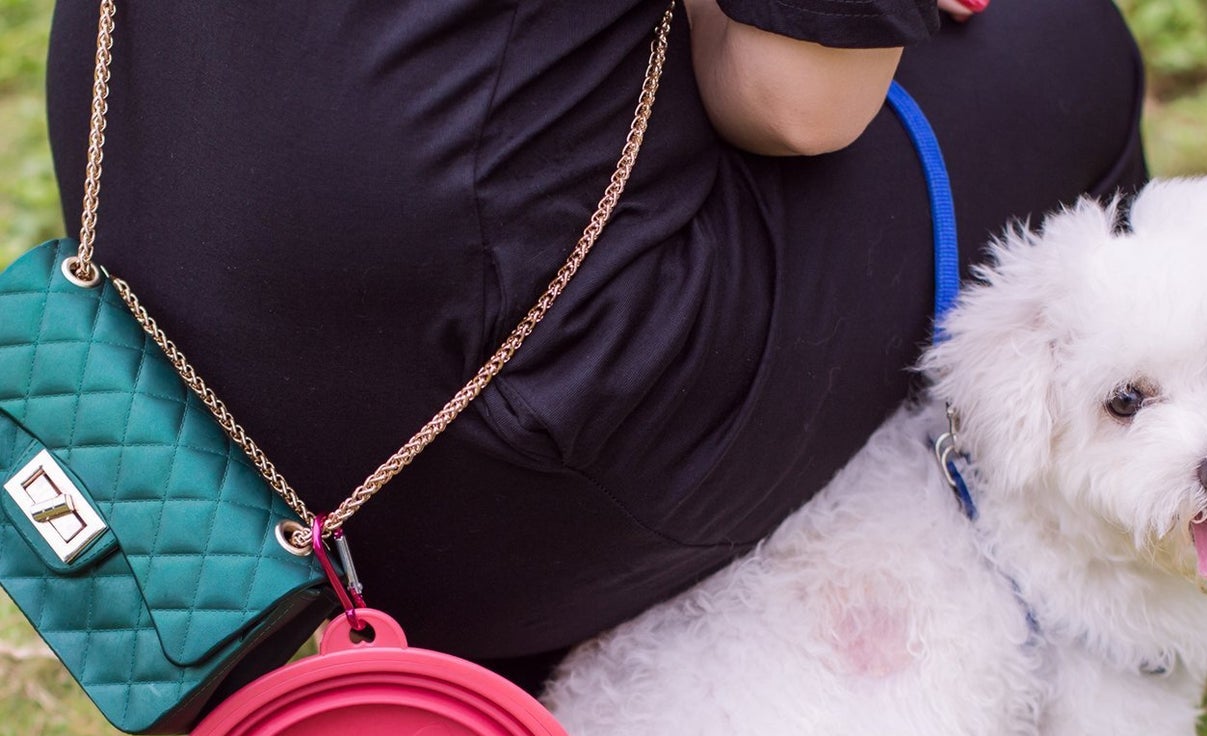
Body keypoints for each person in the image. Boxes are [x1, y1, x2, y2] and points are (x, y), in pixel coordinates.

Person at [46, 0, 1147, 692]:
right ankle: (1024, 657)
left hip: (177, 437)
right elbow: (790, 102)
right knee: (1066, 44)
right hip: (503, 476)